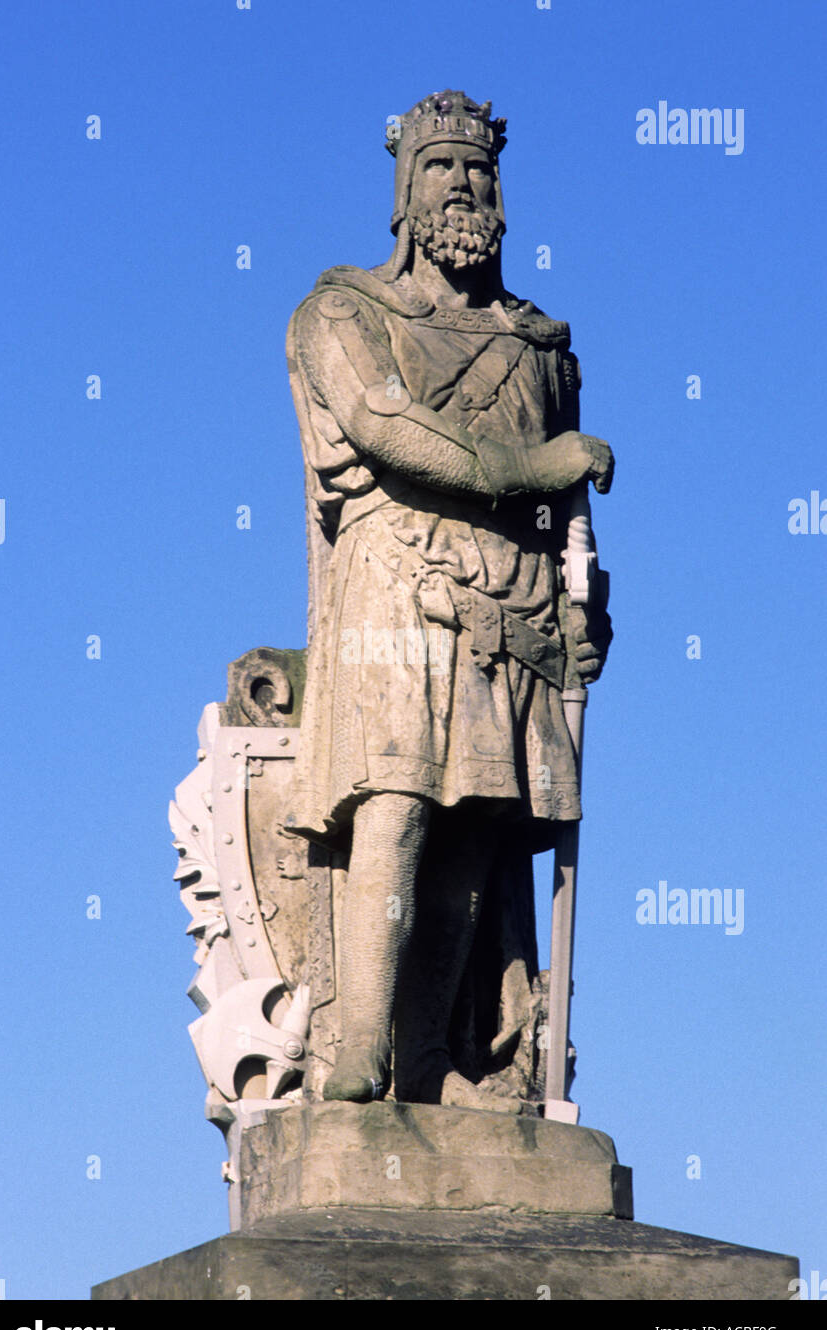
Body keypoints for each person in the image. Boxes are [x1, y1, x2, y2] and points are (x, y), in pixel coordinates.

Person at [284, 91, 614, 1111]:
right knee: (394, 807)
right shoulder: (340, 312)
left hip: (511, 605)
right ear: (403, 192)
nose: (465, 186)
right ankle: (359, 1050)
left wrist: (585, 615)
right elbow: (387, 431)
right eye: (440, 168)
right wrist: (533, 463)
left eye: (479, 171)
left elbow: (571, 524)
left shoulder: (537, 346)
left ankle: (429, 1060)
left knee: (477, 822)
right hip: (397, 590)